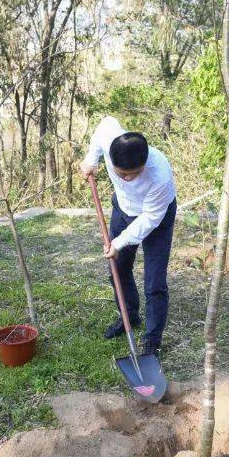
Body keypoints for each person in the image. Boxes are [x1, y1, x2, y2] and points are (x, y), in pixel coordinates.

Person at [79, 116, 177, 357]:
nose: (125, 179)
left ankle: (152, 341)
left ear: (144, 164)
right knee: (118, 269)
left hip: (156, 217)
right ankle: (129, 317)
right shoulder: (110, 138)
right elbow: (104, 123)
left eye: (132, 175)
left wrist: (118, 242)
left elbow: (149, 219)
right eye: (120, 173)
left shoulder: (159, 175)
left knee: (154, 282)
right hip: (123, 210)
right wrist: (91, 160)